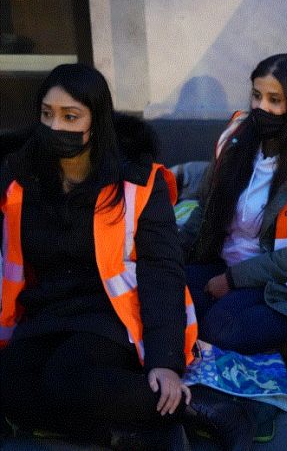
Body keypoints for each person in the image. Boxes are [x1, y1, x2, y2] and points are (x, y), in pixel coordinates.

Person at [0, 63, 255, 450]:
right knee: (11, 387)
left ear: (97, 120)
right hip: (47, 310)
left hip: (113, 314)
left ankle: (200, 407)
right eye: (47, 115)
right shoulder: (20, 177)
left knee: (63, 380)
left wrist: (165, 362)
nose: (56, 127)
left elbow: (162, 273)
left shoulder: (136, 182)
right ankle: (132, 434)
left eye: (70, 117)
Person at [181, 53, 287, 354]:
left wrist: (232, 280)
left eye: (275, 100)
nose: (262, 107)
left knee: (221, 325)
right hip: (225, 262)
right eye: (257, 96)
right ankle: (280, 339)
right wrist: (171, 253)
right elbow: (205, 209)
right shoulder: (235, 137)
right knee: (168, 297)